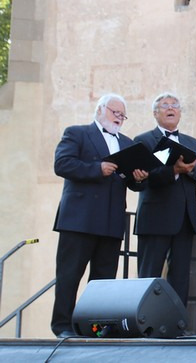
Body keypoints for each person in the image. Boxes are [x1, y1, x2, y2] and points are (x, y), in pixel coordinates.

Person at [51, 94, 147, 338]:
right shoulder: (77, 133)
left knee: (103, 282)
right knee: (69, 276)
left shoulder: (127, 143)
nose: (119, 118)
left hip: (111, 221)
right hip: (79, 220)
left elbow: (132, 183)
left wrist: (139, 179)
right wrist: (97, 168)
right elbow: (62, 164)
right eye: (116, 113)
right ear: (100, 109)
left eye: (123, 115)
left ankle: (95, 329)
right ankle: (63, 326)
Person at [133, 92, 196, 306]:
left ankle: (176, 321)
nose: (171, 108)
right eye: (165, 105)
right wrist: (174, 171)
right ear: (155, 113)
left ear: (180, 113)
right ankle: (143, 320)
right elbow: (146, 178)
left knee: (180, 278)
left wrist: (190, 170)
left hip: (185, 219)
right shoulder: (143, 140)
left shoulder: (191, 142)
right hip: (155, 217)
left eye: (175, 105)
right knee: (149, 275)